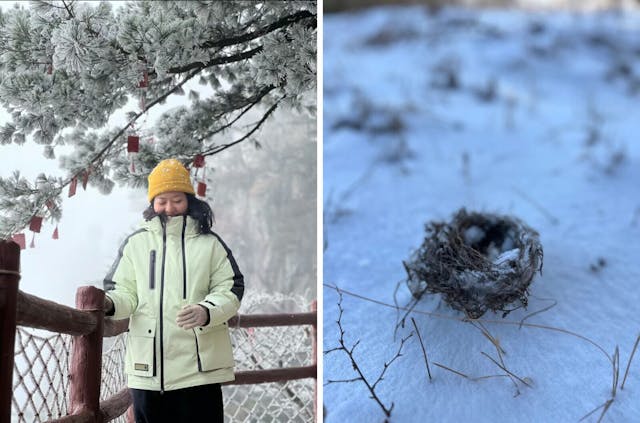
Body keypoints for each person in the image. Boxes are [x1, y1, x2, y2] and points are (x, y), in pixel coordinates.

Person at [103, 158, 244, 422]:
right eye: (162, 200)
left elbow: (231, 288)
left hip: (200, 370)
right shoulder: (136, 244)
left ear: (189, 200)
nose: (169, 208)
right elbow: (124, 292)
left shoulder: (210, 244)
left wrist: (206, 311)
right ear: (152, 203)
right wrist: (109, 304)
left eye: (177, 200)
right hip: (150, 371)